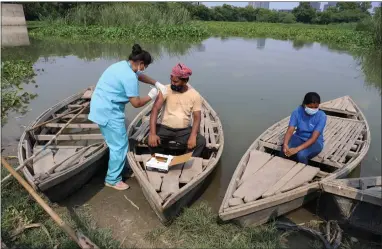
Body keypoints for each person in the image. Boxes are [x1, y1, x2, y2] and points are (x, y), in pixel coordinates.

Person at [88, 44, 167, 191]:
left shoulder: (122, 65)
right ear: (141, 63)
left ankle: (121, 168)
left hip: (100, 106)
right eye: (145, 66)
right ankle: (112, 179)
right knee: (119, 146)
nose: (144, 69)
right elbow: (136, 103)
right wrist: (151, 96)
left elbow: (140, 75)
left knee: (117, 142)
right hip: (109, 112)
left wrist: (156, 83)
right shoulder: (129, 77)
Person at [147, 63, 206, 157]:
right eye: (172, 81)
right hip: (164, 128)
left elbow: (197, 118)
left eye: (176, 82)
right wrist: (153, 133)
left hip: (183, 131)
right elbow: (155, 110)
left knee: (200, 142)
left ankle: (186, 160)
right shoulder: (165, 89)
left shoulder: (195, 95)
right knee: (149, 139)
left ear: (185, 81)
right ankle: (159, 159)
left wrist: (193, 136)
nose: (173, 84)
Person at [280, 92, 327, 164]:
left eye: (316, 107)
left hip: (315, 142)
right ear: (305, 104)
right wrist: (285, 144)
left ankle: (303, 171)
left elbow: (313, 138)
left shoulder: (322, 116)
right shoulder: (297, 111)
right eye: (311, 107)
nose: (313, 109)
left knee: (301, 155)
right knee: (284, 150)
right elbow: (290, 130)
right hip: (298, 137)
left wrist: (297, 149)